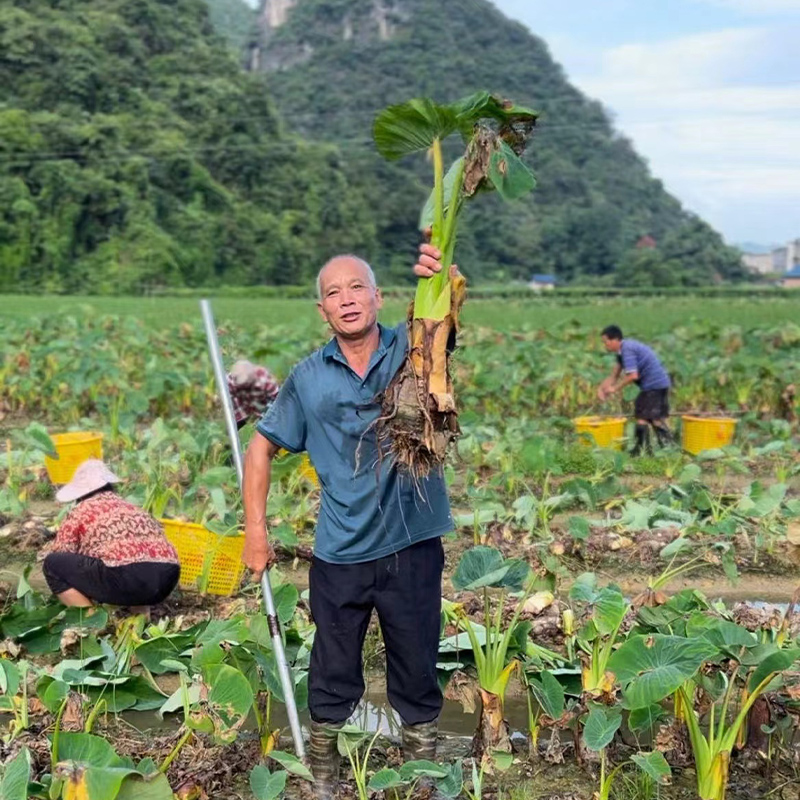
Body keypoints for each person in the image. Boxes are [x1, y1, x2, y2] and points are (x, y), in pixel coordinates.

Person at [243, 245, 455, 798]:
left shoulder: (412, 352)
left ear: (377, 296)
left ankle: (421, 768)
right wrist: (257, 532)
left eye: (356, 287)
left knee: (416, 659)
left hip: (412, 541)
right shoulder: (308, 379)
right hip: (342, 549)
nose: (346, 299)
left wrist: (446, 274)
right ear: (323, 311)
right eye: (333, 293)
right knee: (333, 665)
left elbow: (444, 319)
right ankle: (324, 768)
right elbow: (260, 449)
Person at [41, 460, 180, 611]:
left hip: (126, 577)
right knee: (135, 557)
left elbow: (63, 553)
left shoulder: (81, 510)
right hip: (168, 578)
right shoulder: (133, 509)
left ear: (80, 493)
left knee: (53, 564)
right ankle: (140, 618)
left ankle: (90, 621)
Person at [597, 325, 673, 455]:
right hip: (653, 385)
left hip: (655, 385)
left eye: (606, 342)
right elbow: (614, 375)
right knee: (650, 417)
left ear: (615, 339)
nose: (605, 345)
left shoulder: (628, 350)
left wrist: (614, 389)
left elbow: (633, 376)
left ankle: (648, 450)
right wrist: (601, 389)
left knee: (645, 417)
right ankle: (658, 449)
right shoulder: (622, 352)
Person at [226, 360, 280, 430]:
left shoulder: (265, 380)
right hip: (242, 401)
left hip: (261, 401)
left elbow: (276, 398)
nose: (245, 386)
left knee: (268, 423)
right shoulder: (231, 381)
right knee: (233, 425)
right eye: (242, 385)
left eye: (246, 384)